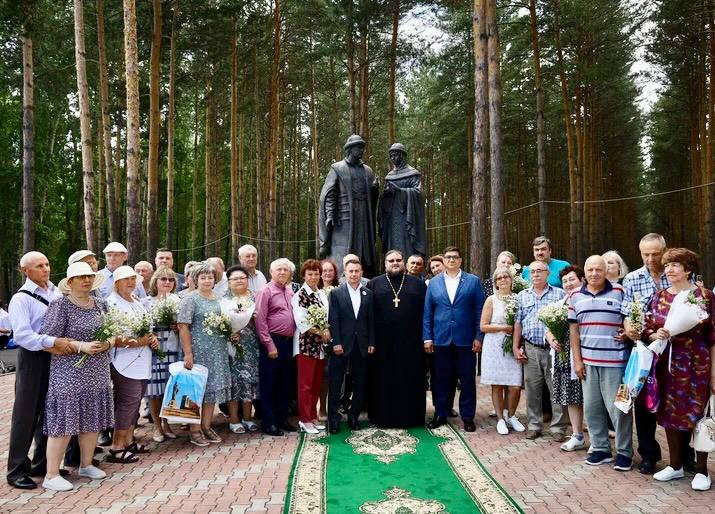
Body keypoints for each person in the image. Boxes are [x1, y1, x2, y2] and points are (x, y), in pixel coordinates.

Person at [643, 248, 714, 491]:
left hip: (697, 366)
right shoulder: (660, 296)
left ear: (688, 269)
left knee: (698, 416)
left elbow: (713, 337)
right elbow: (648, 327)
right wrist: (657, 333)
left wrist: (714, 372)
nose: (669, 269)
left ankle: (702, 470)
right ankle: (675, 466)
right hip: (668, 367)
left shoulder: (704, 296)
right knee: (670, 414)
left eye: (675, 265)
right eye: (668, 265)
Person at [39, 262, 112, 491]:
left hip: (97, 371)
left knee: (92, 419)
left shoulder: (101, 304)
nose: (86, 280)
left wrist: (107, 343)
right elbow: (47, 341)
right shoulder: (60, 305)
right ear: (69, 283)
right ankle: (51, 475)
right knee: (63, 422)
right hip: (68, 373)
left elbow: (113, 333)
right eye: (81, 277)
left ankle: (86, 464)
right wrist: (81, 346)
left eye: (89, 276)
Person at [6, 252, 73, 490]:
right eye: (39, 266)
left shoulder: (57, 291)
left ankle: (43, 464)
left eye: (47, 264)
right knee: (26, 414)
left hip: (56, 358)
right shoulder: (20, 299)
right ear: (26, 271)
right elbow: (22, 335)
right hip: (33, 358)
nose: (45, 269)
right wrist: (53, 342)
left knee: (50, 411)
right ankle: (16, 470)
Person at [570, 255, 632, 471]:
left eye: (598, 269)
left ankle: (624, 452)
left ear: (606, 271)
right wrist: (577, 361)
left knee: (619, 409)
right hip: (587, 363)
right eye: (590, 270)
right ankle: (600, 449)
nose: (594, 273)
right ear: (584, 272)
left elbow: (628, 319)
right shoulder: (575, 295)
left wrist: (627, 331)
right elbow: (573, 330)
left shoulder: (619, 291)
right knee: (592, 408)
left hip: (615, 361)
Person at [621, 233, 670, 474]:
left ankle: (685, 455)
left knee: (673, 401)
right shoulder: (632, 278)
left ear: (664, 250)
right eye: (645, 254)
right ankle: (648, 455)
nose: (651, 259)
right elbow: (627, 310)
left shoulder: (675, 275)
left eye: (655, 254)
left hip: (674, 350)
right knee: (643, 403)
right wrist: (629, 325)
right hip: (644, 350)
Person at [423, 246, 485, 433]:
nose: (451, 260)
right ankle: (440, 414)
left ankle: (468, 417)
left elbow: (479, 310)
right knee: (441, 379)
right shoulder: (433, 283)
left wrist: (478, 336)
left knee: (467, 380)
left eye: (455, 257)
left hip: (465, 340)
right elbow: (427, 312)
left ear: (460, 260)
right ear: (443, 260)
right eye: (448, 257)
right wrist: (427, 338)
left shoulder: (473, 281)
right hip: (441, 340)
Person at [368, 250, 426, 428]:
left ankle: (411, 418)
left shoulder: (418, 285)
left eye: (398, 260)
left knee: (409, 379)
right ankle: (381, 417)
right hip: (382, 344)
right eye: (391, 260)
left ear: (403, 262)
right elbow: (368, 316)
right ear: (385, 263)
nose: (395, 263)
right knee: (383, 381)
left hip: (411, 343)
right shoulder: (374, 284)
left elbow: (426, 314)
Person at [106, 266, 158, 462]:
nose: (130, 282)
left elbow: (147, 329)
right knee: (127, 403)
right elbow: (112, 336)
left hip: (142, 360)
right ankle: (116, 447)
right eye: (125, 279)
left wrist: (152, 339)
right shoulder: (111, 304)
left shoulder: (136, 301)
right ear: (116, 282)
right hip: (122, 361)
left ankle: (128, 441)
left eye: (133, 279)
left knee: (135, 401)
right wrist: (138, 341)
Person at [177, 262, 233, 446]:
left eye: (210, 277)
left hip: (217, 350)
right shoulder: (190, 299)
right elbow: (183, 326)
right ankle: (195, 430)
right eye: (203, 277)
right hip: (198, 350)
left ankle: (207, 426)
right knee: (196, 390)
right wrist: (188, 353)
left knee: (212, 389)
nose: (207, 280)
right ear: (195, 280)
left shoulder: (219, 298)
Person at [512, 260, 569, 441]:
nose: (535, 274)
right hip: (531, 348)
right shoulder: (522, 296)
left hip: (554, 350)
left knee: (556, 389)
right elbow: (518, 323)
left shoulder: (559, 294)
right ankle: (534, 425)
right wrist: (515, 346)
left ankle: (559, 428)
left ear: (547, 274)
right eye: (533, 272)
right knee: (532, 389)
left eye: (540, 271)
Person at [319, 134, 379, 277]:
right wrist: (330, 215)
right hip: (344, 221)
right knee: (344, 254)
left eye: (363, 148)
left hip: (364, 219)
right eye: (359, 147)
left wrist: (374, 191)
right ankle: (340, 279)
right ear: (350, 149)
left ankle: (366, 278)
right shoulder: (338, 168)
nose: (362, 151)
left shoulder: (368, 171)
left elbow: (372, 198)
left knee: (365, 252)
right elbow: (329, 194)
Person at [327, 259, 375, 433]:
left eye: (357, 271)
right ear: (345, 273)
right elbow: (333, 320)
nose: (354, 274)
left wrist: (371, 342)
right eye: (351, 271)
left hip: (362, 345)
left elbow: (371, 320)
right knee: (336, 381)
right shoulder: (336, 294)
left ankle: (354, 416)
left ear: (361, 273)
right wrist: (336, 342)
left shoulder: (368, 294)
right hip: (342, 344)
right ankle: (333, 419)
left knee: (360, 382)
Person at [254, 258, 297, 436]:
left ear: (290, 273)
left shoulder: (289, 291)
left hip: (288, 343)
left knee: (284, 383)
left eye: (285, 270)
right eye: (278, 269)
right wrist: (269, 345)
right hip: (272, 342)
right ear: (271, 272)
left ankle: (282, 418)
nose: (282, 272)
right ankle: (269, 422)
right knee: (269, 383)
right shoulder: (265, 291)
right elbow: (260, 319)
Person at [479, 267, 525, 435]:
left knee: (515, 385)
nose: (503, 280)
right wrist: (503, 327)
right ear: (495, 282)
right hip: (494, 345)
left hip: (513, 344)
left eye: (506, 277)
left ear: (511, 279)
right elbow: (483, 326)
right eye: (499, 278)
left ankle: (511, 415)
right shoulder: (491, 300)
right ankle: (500, 419)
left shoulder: (519, 298)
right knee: (497, 384)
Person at [545, 266, 586, 452]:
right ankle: (577, 435)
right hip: (563, 358)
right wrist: (551, 338)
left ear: (582, 280)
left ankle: (596, 438)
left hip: (584, 356)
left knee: (590, 399)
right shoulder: (560, 303)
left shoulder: (586, 300)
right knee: (572, 398)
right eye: (565, 281)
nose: (568, 284)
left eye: (572, 279)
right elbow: (547, 328)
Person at [142, 266, 181, 443]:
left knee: (168, 387)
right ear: (155, 282)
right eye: (163, 279)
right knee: (154, 389)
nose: (167, 282)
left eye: (171, 280)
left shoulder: (178, 300)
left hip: (173, 347)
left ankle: (167, 423)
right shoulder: (145, 302)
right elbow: (141, 327)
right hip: (155, 348)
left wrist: (178, 325)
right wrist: (151, 337)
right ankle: (157, 427)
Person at [291, 260, 330, 434]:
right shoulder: (300, 295)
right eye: (310, 274)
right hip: (305, 344)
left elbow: (326, 317)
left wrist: (326, 330)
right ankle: (304, 419)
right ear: (304, 276)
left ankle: (313, 417)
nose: (313, 277)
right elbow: (301, 322)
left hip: (319, 346)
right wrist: (321, 332)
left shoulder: (320, 293)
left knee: (315, 383)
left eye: (316, 273)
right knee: (305, 385)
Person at [222, 266, 259, 434]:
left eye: (242, 278)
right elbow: (218, 322)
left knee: (249, 381)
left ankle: (248, 418)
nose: (239, 281)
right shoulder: (223, 300)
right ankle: (234, 419)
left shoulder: (254, 297)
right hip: (232, 347)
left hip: (251, 345)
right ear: (229, 282)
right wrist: (229, 333)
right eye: (235, 278)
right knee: (234, 382)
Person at [378, 143, 427, 261]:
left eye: (395, 155)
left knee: (407, 244)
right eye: (391, 156)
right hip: (392, 218)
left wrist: (400, 191)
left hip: (408, 217)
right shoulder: (389, 176)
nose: (393, 158)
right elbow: (385, 198)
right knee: (392, 244)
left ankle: (410, 267)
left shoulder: (412, 173)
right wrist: (386, 194)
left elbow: (418, 193)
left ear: (402, 155)